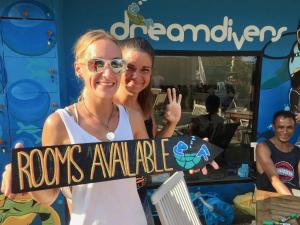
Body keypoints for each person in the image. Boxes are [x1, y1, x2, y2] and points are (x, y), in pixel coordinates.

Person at [1, 29, 148, 225]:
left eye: (116, 63)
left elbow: (150, 166)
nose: (108, 72)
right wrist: (24, 174)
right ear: (79, 69)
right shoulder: (59, 123)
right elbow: (49, 196)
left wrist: (191, 155)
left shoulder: (133, 118)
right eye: (97, 64)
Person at [256, 110, 300, 195]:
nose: (285, 131)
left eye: (289, 127)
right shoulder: (263, 147)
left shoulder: (297, 151)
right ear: (273, 127)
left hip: (294, 198)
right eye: (281, 127)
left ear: (294, 129)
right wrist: (292, 204)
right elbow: (275, 180)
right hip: (269, 200)